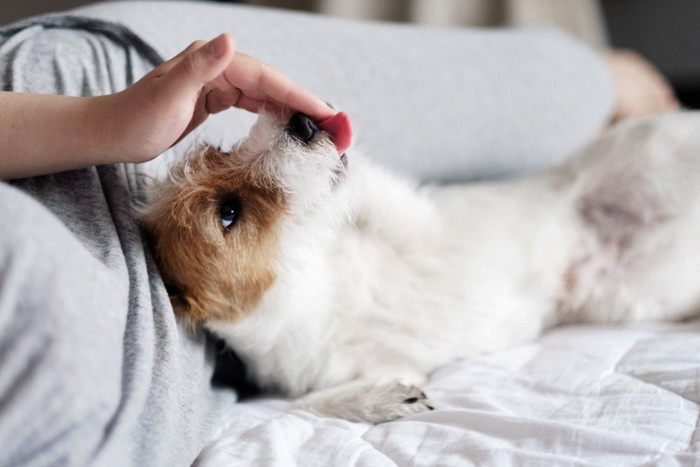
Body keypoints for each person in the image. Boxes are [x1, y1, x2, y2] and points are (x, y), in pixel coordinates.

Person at [0, 2, 678, 465]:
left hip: (71, 99)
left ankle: (602, 80)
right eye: (231, 211)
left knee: (555, 87)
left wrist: (103, 123)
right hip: (175, 320)